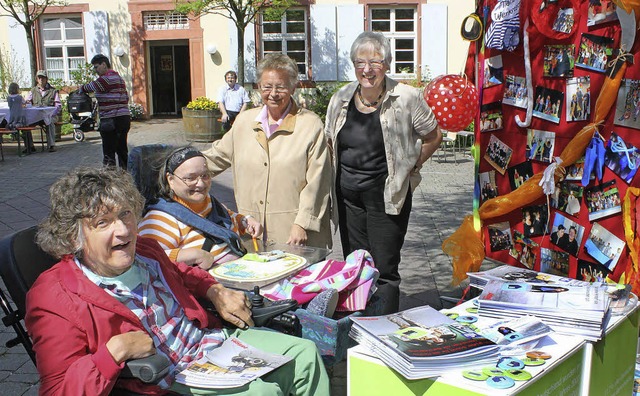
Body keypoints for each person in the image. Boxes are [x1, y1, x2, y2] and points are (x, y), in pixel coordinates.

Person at [25, 166, 329, 395]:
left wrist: (213, 289)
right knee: (264, 392)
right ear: (72, 236)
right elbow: (58, 390)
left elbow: (182, 274)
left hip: (209, 342)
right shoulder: (54, 296)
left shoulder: (146, 250)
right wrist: (114, 351)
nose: (123, 231)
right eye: (103, 223)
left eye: (125, 214)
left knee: (306, 355)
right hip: (170, 375)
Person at [324, 31, 442, 314]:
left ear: (387, 64)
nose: (367, 69)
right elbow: (330, 141)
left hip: (387, 196)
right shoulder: (340, 98)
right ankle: (359, 322)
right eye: (360, 62)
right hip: (348, 197)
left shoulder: (407, 97)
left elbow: (433, 136)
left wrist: (414, 165)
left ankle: (384, 328)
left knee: (384, 267)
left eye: (375, 62)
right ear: (353, 65)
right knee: (356, 263)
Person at [202, 53, 332, 249]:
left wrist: (302, 223)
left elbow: (318, 181)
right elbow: (216, 156)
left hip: (295, 233)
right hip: (252, 232)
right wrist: (179, 167)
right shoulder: (245, 122)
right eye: (267, 87)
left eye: (280, 87)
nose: (273, 93)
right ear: (258, 87)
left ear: (293, 87)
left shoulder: (310, 125)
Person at [138, 146, 263, 270]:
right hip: (205, 286)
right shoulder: (159, 219)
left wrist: (244, 221)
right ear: (170, 180)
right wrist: (189, 255)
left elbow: (225, 218)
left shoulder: (209, 201)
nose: (201, 184)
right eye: (190, 178)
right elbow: (143, 257)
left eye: (205, 175)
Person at [80, 54, 131, 169]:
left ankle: (110, 180)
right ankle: (125, 177)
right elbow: (126, 98)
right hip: (124, 118)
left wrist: (79, 90)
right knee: (122, 150)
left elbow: (88, 87)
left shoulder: (105, 79)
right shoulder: (119, 79)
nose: (95, 70)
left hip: (110, 120)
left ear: (104, 64)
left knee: (109, 154)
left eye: (96, 67)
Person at [25, 70, 61, 152]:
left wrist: (52, 114)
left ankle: (51, 145)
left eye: (43, 78)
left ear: (46, 79)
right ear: (37, 79)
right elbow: (27, 102)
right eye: (39, 77)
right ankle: (30, 146)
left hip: (50, 115)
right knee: (25, 123)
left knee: (50, 122)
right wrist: (26, 103)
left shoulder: (53, 91)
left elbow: (58, 106)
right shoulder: (33, 91)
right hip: (36, 116)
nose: (41, 79)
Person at [7, 82, 36, 153]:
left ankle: (17, 136)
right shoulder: (19, 97)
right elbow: (24, 104)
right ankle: (29, 145)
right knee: (26, 126)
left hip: (12, 118)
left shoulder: (8, 98)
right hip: (20, 118)